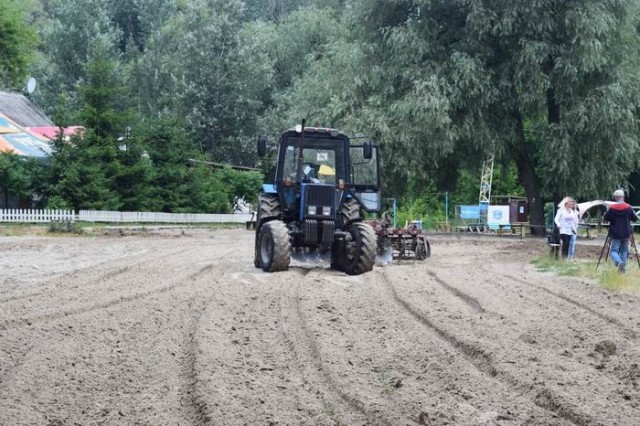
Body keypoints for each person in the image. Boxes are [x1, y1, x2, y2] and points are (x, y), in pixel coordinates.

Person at [604, 189, 638, 272]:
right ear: (623, 197)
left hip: (615, 233)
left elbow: (606, 218)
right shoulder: (628, 207)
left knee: (614, 251)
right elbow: (634, 218)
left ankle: (618, 262)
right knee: (624, 251)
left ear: (615, 197)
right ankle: (622, 270)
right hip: (626, 232)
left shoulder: (612, 208)